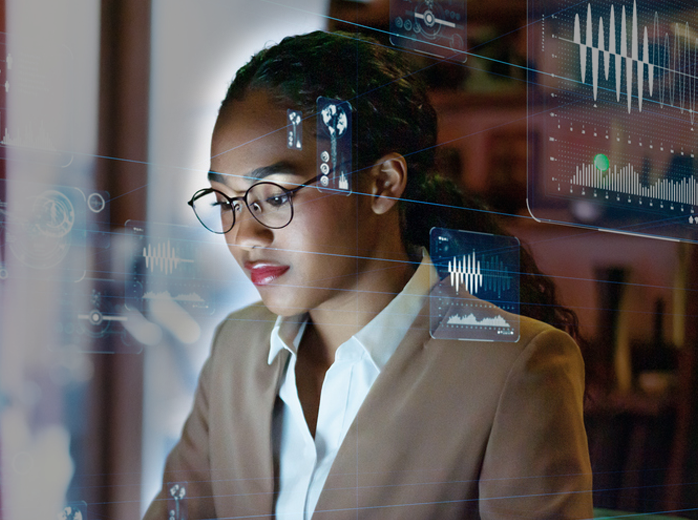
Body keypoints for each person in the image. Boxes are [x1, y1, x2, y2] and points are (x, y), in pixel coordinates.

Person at [144, 31, 592, 519]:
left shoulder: (515, 371)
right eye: (226, 201)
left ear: (382, 183)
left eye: (274, 197)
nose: (245, 234)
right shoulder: (237, 346)